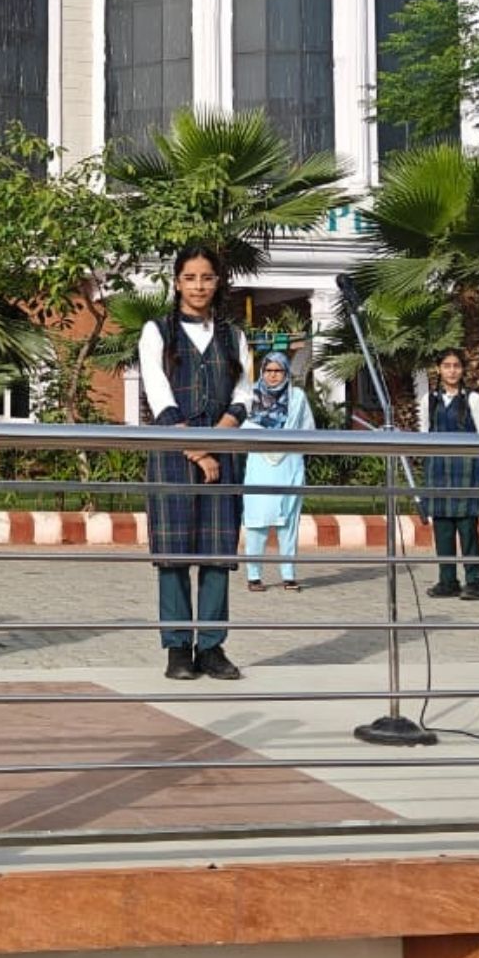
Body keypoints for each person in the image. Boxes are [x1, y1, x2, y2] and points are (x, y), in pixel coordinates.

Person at [139, 243, 253, 681]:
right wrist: (197, 450)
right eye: (190, 278)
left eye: (206, 278)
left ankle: (211, 646)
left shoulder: (233, 337)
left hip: (224, 451)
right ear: (176, 283)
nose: (199, 286)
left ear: (217, 282)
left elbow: (243, 394)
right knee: (172, 555)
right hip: (173, 452)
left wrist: (217, 439)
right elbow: (159, 394)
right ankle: (177, 649)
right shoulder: (156, 332)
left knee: (217, 553)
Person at [420, 347, 479, 600]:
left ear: (463, 370)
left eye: (456, 366)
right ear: (439, 369)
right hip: (438, 470)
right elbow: (424, 434)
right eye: (447, 366)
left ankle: (475, 581)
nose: (452, 371)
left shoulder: (473, 400)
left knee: (468, 528)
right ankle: (447, 580)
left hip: (466, 470)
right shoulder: (429, 400)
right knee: (442, 528)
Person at [240, 346, 314, 593]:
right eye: (268, 370)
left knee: (289, 522)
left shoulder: (297, 397)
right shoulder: (250, 396)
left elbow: (308, 430)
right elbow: (241, 428)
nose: (272, 375)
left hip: (290, 464)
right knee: (257, 521)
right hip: (259, 464)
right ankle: (254, 576)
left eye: (278, 370)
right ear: (262, 371)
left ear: (286, 373)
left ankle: (289, 575)